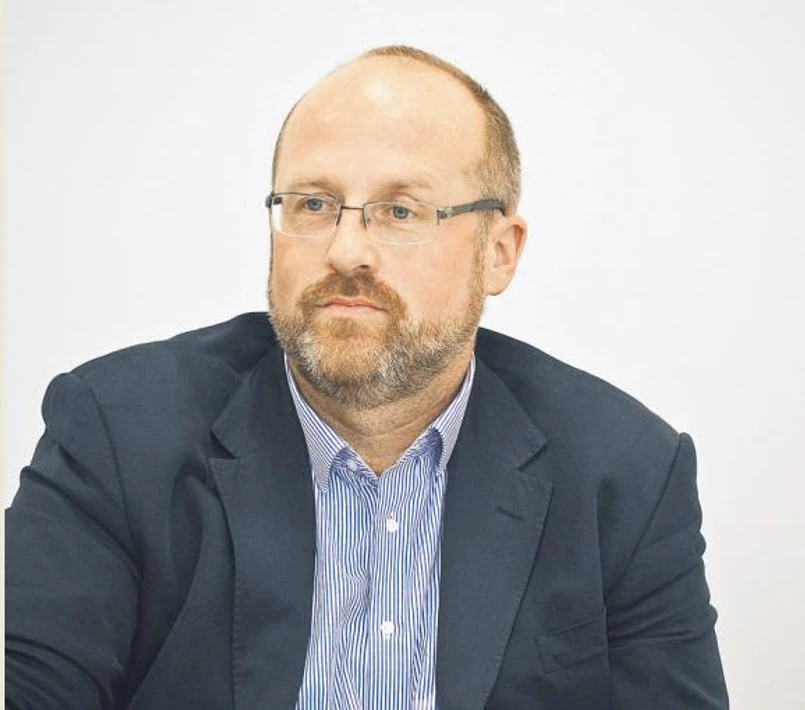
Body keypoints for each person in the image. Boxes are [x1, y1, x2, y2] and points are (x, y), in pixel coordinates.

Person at [5, 45, 729, 709]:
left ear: (499, 252)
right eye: (313, 205)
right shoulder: (116, 432)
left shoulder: (626, 474)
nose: (346, 250)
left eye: (399, 210)